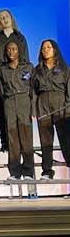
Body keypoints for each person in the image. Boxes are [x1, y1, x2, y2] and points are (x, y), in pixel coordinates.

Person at [0, 10, 30, 152]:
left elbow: (25, 59)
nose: (3, 19)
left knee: (20, 113)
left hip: (17, 77)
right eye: (0, 17)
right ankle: (6, 143)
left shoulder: (20, 38)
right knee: (2, 108)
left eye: (6, 16)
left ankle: (24, 146)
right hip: (0, 76)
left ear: (11, 18)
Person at [32, 39, 70, 179]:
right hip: (43, 106)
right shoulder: (37, 70)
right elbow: (34, 92)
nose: (46, 49)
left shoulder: (64, 69)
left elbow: (68, 89)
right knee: (46, 141)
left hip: (61, 106)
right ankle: (47, 171)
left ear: (55, 50)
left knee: (66, 140)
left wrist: (67, 107)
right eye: (44, 47)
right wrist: (33, 110)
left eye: (49, 47)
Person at [0, 41, 35, 181]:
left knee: (26, 138)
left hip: (24, 101)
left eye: (14, 49)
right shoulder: (2, 69)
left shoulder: (28, 67)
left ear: (19, 51)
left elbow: (33, 89)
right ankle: (14, 172)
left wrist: (33, 108)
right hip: (9, 102)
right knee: (12, 138)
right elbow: (1, 89)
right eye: (8, 49)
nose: (11, 52)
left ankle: (28, 172)